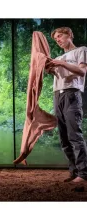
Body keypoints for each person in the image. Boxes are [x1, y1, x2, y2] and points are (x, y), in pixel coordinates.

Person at [46, 27, 87, 182]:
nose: (58, 40)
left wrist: (61, 64)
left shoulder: (80, 51)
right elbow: (58, 75)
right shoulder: (59, 56)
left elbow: (82, 71)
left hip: (72, 94)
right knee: (63, 138)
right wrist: (50, 69)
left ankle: (84, 173)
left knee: (74, 135)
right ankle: (74, 171)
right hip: (58, 95)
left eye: (60, 36)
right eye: (56, 39)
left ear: (69, 35)